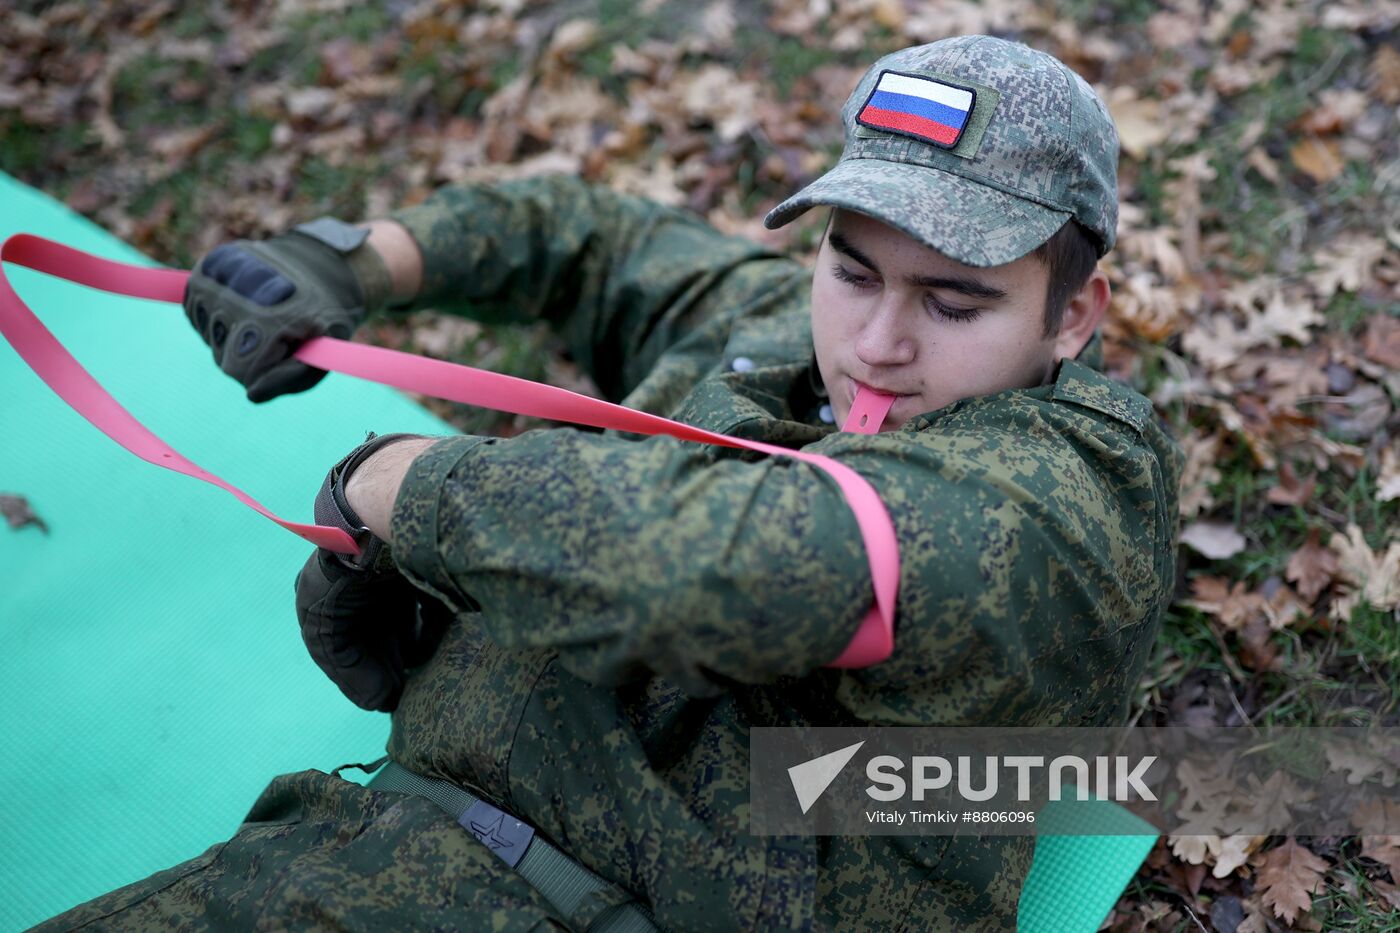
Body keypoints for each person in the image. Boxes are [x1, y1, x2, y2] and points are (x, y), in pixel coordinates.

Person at [38, 35, 1181, 932]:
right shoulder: (776, 332)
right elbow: (593, 240)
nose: (878, 341)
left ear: (1072, 314)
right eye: (850, 267)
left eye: (954, 300)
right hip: (351, 848)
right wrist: (352, 259)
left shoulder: (1074, 490)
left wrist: (398, 492)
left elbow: (729, 568)